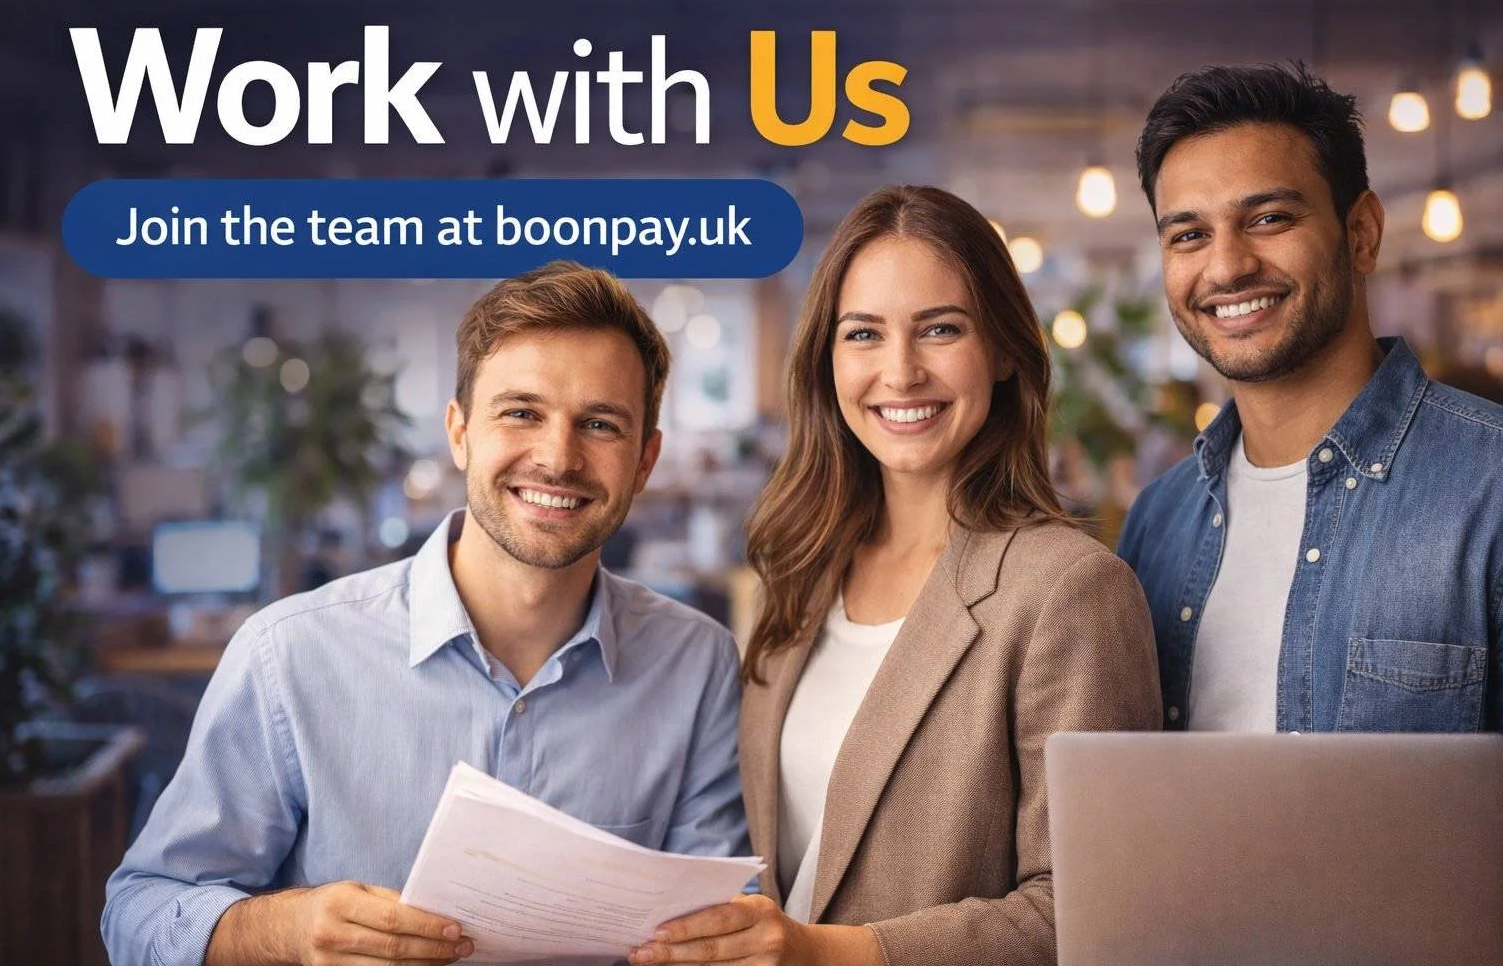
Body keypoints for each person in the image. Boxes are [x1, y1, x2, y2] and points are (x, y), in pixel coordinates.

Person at [103, 262, 749, 966]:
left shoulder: (698, 664)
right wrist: (283, 932)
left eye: (599, 424)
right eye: (521, 413)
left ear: (645, 459)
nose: (558, 458)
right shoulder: (288, 657)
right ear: (460, 432)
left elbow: (712, 928)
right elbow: (138, 913)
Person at [629, 185, 1161, 966]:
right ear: (828, 359)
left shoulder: (1069, 591)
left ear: (1005, 350)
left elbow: (1093, 911)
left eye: (940, 329)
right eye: (864, 334)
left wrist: (829, 954)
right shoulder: (800, 573)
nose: (900, 371)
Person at [1118, 62, 1503, 733]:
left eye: (1268, 218)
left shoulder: (1490, 483)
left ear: (1362, 233)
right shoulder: (1159, 520)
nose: (1227, 265)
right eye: (1188, 234)